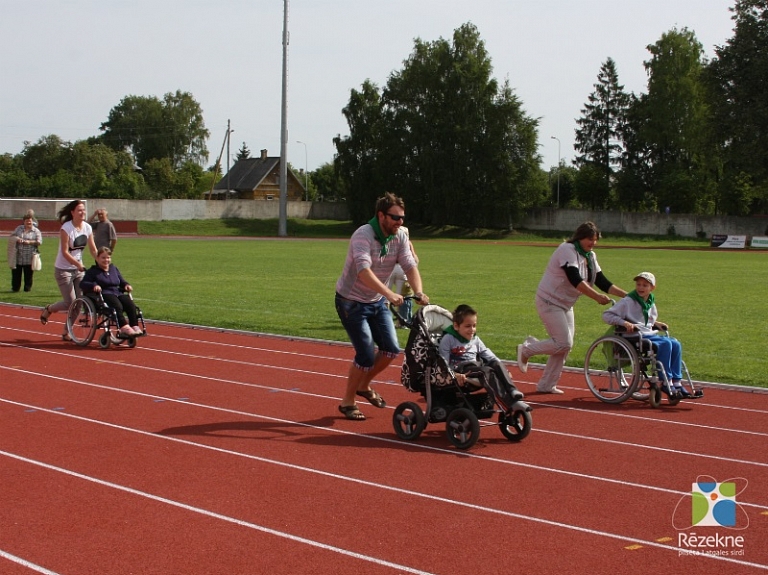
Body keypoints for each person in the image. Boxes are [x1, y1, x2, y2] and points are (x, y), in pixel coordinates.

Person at [335, 192, 429, 421]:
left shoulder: (400, 236)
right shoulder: (363, 235)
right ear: (381, 215)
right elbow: (363, 271)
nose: (400, 222)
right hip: (351, 301)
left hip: (376, 301)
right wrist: (389, 293)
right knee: (366, 354)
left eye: (402, 218)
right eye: (395, 218)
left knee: (390, 350)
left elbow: (409, 265)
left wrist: (418, 292)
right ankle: (348, 402)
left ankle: (363, 386)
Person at [517, 221, 627, 394]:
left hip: (566, 304)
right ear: (580, 237)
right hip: (549, 300)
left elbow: (602, 281)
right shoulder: (567, 250)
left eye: (596, 240)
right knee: (563, 342)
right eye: (590, 239)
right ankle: (527, 349)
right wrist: (597, 297)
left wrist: (627, 296)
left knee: (565, 345)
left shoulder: (590, 256)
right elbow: (575, 279)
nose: (593, 243)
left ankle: (547, 384)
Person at [602, 271, 690, 396]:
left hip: (647, 334)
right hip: (633, 336)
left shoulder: (650, 302)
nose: (641, 288)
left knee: (675, 343)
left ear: (652, 288)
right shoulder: (628, 301)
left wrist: (656, 323)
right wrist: (624, 322)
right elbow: (606, 315)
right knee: (665, 344)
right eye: (638, 284)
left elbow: (647, 320)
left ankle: (677, 382)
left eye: (645, 285)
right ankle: (666, 381)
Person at [439, 304, 522, 408]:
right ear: (456, 326)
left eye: (474, 325)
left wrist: (504, 369)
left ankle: (512, 390)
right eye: (468, 326)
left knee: (496, 363)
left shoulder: (475, 339)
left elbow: (488, 354)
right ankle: (508, 402)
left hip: (476, 367)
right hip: (462, 370)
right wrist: (454, 374)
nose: (472, 330)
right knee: (486, 370)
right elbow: (443, 362)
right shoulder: (448, 339)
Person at [40, 200, 98, 340]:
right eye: (79, 210)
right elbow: (65, 252)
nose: (82, 212)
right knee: (70, 302)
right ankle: (49, 309)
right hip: (63, 269)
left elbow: (92, 249)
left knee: (80, 301)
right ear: (72, 212)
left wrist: (103, 263)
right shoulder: (66, 228)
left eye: (83, 210)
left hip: (79, 270)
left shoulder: (87, 228)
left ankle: (67, 331)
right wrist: (77, 264)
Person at [81, 247, 141, 336]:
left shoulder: (113, 269)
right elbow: (83, 283)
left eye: (108, 257)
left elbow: (121, 280)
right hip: (104, 294)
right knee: (117, 306)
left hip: (117, 292)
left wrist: (126, 285)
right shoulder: (92, 271)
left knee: (130, 304)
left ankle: (134, 325)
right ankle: (124, 326)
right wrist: (94, 286)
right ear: (97, 258)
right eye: (103, 258)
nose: (106, 260)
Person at [387, 225, 419, 327]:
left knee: (385, 295)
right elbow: (415, 259)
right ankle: (402, 321)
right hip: (402, 269)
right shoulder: (408, 243)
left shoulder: (389, 241)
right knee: (402, 296)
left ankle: (384, 320)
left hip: (389, 268)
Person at [9, 214, 43, 292]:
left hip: (29, 256)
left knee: (28, 274)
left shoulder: (36, 231)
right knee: (16, 274)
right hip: (18, 255)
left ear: (32, 221)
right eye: (26, 221)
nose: (28, 223)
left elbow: (39, 242)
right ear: (24, 222)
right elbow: (12, 236)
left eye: (30, 221)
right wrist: (17, 239)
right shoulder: (19, 229)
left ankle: (27, 289)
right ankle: (15, 288)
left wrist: (30, 242)